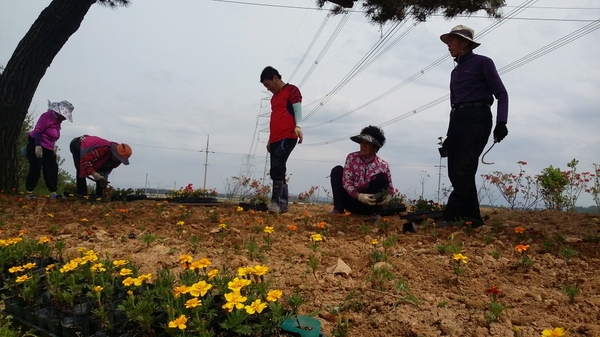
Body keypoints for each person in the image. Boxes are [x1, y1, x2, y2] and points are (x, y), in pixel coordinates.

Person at [438, 25, 509, 228]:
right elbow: (454, 106)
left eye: (452, 41)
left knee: (464, 167)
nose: (449, 46)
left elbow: (501, 94)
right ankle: (473, 216)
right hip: (459, 119)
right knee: (455, 169)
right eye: (448, 42)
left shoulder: (483, 63)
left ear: (465, 43)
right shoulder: (455, 72)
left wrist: (501, 122)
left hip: (478, 117)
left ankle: (451, 216)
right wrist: (450, 136)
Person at [260, 66, 304, 214]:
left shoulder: (292, 90)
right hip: (275, 138)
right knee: (277, 168)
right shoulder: (274, 98)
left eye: (268, 85)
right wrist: (269, 140)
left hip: (288, 136)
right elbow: (275, 119)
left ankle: (275, 203)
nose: (268, 89)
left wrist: (298, 126)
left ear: (275, 78)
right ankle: (283, 205)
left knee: (278, 166)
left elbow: (297, 108)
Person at [330, 125, 394, 217]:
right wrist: (358, 195)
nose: (363, 146)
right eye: (361, 143)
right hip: (352, 200)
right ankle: (338, 208)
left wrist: (388, 197)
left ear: (375, 147)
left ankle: (375, 213)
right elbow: (347, 182)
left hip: (370, 204)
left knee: (382, 178)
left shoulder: (383, 165)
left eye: (367, 143)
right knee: (337, 170)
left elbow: (390, 189)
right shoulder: (351, 158)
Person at [25, 100, 74, 199]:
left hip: (48, 148)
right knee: (36, 167)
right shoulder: (47, 116)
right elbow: (38, 131)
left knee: (52, 168)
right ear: (59, 113)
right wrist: (38, 146)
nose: (65, 118)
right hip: (37, 143)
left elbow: (52, 136)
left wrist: (52, 148)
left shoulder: (58, 121)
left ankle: (53, 193)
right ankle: (28, 192)